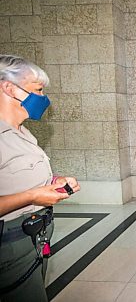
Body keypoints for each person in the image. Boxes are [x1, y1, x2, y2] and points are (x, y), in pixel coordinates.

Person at [0, 55, 81, 301]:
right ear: (9, 88)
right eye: (38, 90)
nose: (43, 98)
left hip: (32, 237)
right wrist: (32, 196)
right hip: (8, 244)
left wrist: (54, 182)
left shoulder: (22, 133)